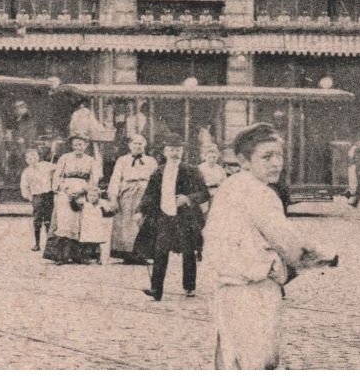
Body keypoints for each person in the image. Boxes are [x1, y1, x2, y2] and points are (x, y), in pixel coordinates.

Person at [206, 123, 336, 369]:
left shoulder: (229, 186)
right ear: (244, 161)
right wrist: (323, 255)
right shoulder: (261, 193)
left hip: (226, 287)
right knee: (260, 360)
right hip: (255, 288)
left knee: (230, 359)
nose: (276, 163)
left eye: (279, 156)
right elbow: (289, 243)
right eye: (266, 157)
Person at [137, 136, 210, 301]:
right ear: (165, 152)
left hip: (186, 218)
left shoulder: (192, 170)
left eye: (178, 150)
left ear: (182, 151)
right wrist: (140, 211)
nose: (174, 153)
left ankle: (189, 286)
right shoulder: (158, 171)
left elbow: (204, 193)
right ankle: (156, 289)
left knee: (188, 251)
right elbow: (149, 194)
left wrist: (188, 198)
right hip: (164, 215)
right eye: (171, 150)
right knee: (160, 251)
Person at [49, 133, 102, 264]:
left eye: (81, 144)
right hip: (66, 192)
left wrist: (84, 190)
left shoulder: (91, 160)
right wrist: (64, 189)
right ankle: (61, 256)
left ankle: (80, 255)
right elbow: (57, 176)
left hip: (83, 191)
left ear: (86, 145)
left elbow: (94, 179)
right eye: (75, 144)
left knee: (81, 222)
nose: (78, 147)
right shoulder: (64, 158)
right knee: (64, 222)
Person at [107, 134, 157, 264]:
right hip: (127, 192)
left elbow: (156, 180)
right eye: (135, 143)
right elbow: (115, 178)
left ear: (144, 145)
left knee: (142, 221)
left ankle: (142, 253)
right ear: (129, 146)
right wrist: (113, 197)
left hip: (145, 192)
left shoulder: (151, 161)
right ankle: (126, 253)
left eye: (140, 143)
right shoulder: (122, 160)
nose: (138, 146)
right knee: (126, 222)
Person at [19, 148, 56, 253]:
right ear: (26, 160)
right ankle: (37, 243)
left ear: (38, 157)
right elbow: (24, 187)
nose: (32, 159)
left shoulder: (46, 165)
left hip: (48, 195)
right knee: (37, 220)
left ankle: (50, 244)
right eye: (30, 157)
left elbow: (57, 169)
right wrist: (30, 197)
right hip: (37, 196)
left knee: (49, 219)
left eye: (34, 156)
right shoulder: (26, 172)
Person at [77, 184, 110, 263]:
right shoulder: (85, 204)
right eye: (90, 195)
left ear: (98, 197)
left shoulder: (100, 204)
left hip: (97, 226)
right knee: (87, 242)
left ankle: (98, 258)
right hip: (87, 226)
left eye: (95, 196)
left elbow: (108, 211)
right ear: (87, 196)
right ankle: (86, 257)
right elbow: (77, 204)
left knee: (97, 243)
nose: (92, 197)